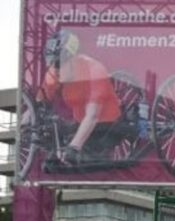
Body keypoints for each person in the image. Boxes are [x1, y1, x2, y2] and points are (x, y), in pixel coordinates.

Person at [35, 29, 127, 171]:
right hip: (79, 122)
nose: (55, 69)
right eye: (53, 63)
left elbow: (93, 116)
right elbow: (37, 104)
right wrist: (22, 128)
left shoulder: (95, 70)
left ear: (72, 59)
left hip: (106, 125)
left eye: (59, 63)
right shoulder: (54, 73)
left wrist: (74, 147)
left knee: (85, 156)